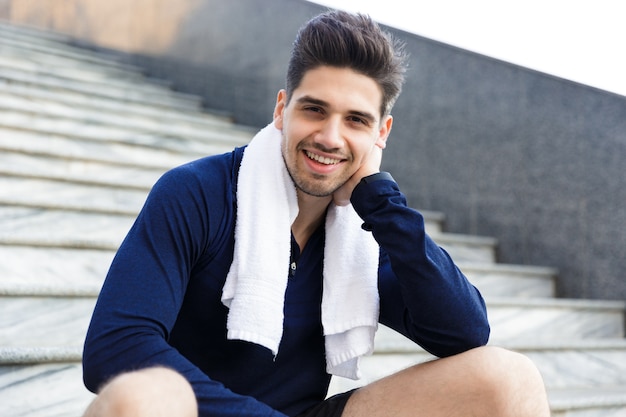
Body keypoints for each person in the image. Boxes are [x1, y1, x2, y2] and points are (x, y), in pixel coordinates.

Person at [82, 9, 550, 417]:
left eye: (355, 120)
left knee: (509, 379)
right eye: (315, 110)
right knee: (141, 399)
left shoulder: (363, 237)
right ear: (282, 109)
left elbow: (465, 333)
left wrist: (381, 201)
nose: (330, 136)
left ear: (381, 132)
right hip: (193, 411)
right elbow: (116, 346)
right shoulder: (198, 193)